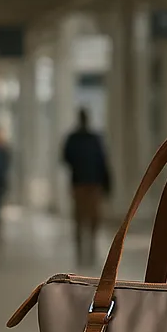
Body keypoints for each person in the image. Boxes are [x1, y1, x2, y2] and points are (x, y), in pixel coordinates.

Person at [61, 109, 111, 264]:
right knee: (90, 217)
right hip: (91, 183)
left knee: (81, 217)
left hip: (81, 183)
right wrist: (107, 183)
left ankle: (84, 249)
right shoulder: (94, 139)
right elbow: (103, 161)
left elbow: (65, 158)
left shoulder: (73, 139)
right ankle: (87, 248)